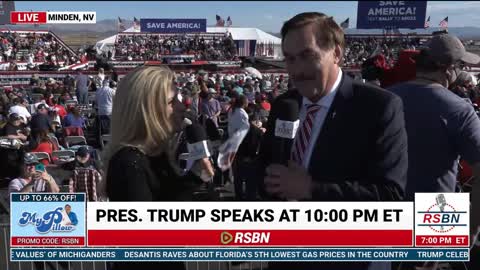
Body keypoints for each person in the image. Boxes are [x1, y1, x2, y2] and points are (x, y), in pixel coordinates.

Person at [260, 12, 408, 270]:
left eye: (307, 55)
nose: (296, 70)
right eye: (290, 59)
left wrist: (311, 189)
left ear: (336, 54)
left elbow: (390, 196)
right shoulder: (285, 104)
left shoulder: (378, 106)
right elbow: (264, 167)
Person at [103, 66, 195, 270]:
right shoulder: (129, 163)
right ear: (149, 110)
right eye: (172, 101)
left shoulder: (157, 155)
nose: (182, 106)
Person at [389, 34, 480, 200]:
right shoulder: (460, 109)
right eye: (461, 65)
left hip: (384, 212)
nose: (462, 70)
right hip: (436, 213)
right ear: (449, 68)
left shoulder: (385, 98)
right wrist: (472, 226)